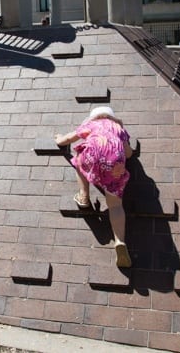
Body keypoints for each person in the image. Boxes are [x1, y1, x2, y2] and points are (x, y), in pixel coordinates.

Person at [55, 106, 133, 268]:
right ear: (112, 117)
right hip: (114, 164)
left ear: (93, 117)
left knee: (80, 160)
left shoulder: (91, 125)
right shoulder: (118, 127)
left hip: (92, 156)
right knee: (116, 205)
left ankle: (84, 195)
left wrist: (59, 139)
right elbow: (128, 154)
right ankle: (120, 241)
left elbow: (69, 138)